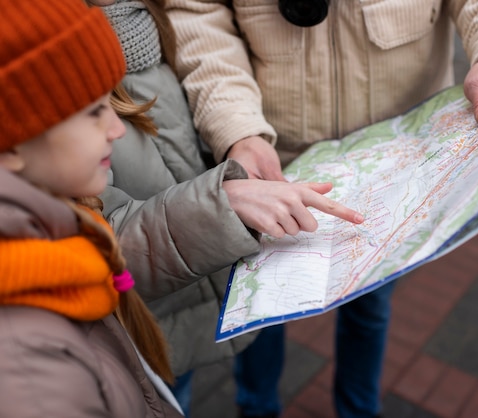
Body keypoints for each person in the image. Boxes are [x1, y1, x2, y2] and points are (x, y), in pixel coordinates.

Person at [164, 0, 478, 417]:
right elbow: (197, 15)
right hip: (276, 169)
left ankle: (357, 410)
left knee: (369, 305)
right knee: (261, 315)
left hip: (396, 168)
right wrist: (237, 129)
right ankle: (258, 407)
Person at [85, 0, 364, 415]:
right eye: (93, 113)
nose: (112, 128)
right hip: (145, 327)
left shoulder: (146, 19)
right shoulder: (47, 53)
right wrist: (224, 204)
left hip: (207, 274)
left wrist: (236, 139)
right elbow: (89, 239)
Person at [0, 1, 183, 416]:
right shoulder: (31, 377)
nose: (118, 128)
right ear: (12, 143)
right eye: (95, 111)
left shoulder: (63, 228)